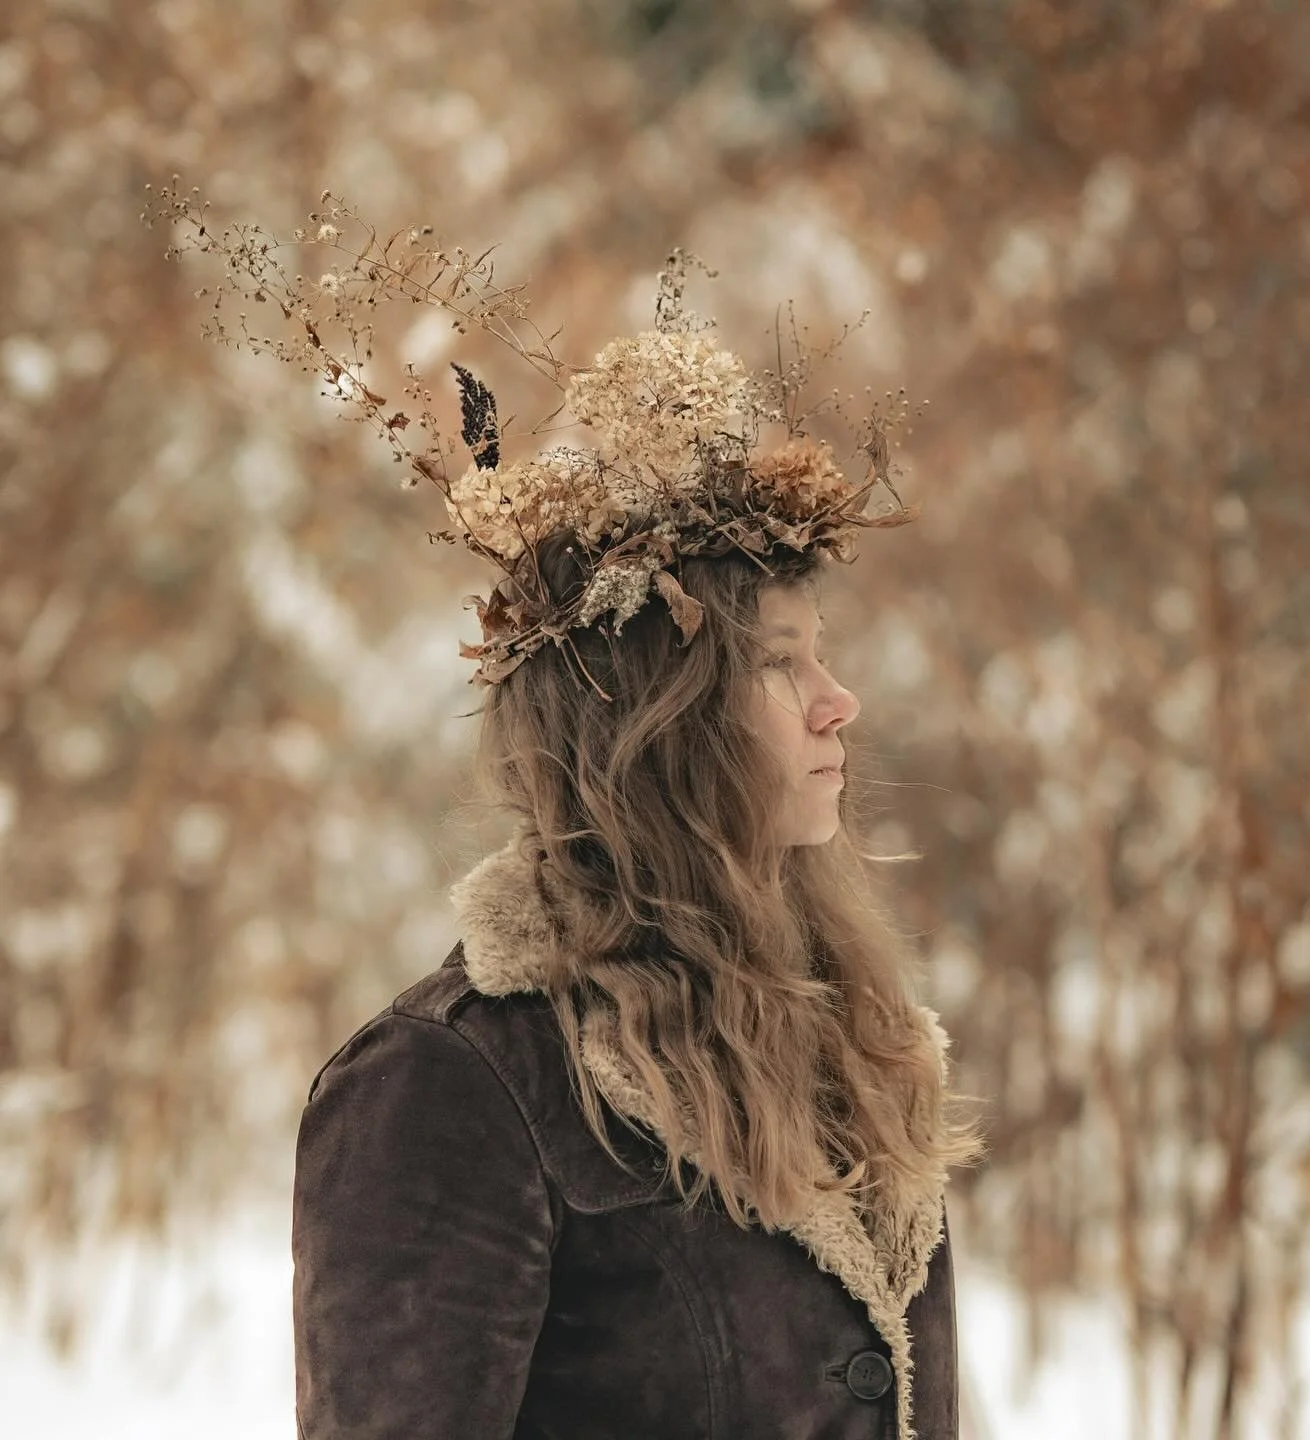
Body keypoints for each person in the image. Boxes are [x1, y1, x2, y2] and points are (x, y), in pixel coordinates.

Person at [289, 264, 981, 1440]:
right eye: (777, 663)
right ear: (657, 718)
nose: (838, 702)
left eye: (821, 656)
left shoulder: (852, 1033)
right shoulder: (456, 1082)